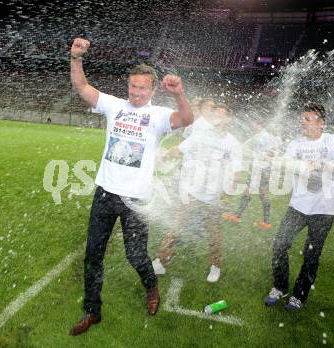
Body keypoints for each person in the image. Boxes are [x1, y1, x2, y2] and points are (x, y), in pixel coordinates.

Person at [68, 37, 194, 336]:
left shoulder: (159, 115)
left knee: (135, 255)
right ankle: (92, 310)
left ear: (151, 90)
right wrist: (76, 58)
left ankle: (152, 287)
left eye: (142, 88)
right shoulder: (114, 106)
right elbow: (82, 88)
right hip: (104, 193)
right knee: (93, 255)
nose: (136, 93)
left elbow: (187, 119)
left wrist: (179, 95)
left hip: (136, 199)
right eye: (133, 87)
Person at [264, 103, 334, 310]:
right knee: (279, 245)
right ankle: (280, 286)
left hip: (324, 210)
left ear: (321, 123)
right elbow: (285, 165)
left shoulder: (332, 140)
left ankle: (299, 295)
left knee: (311, 254)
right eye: (302, 119)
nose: (303, 123)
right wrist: (272, 163)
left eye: (308, 119)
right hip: (297, 207)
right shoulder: (295, 144)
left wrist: (325, 164)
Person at [152, 103, 242, 282]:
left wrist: (230, 189)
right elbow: (180, 148)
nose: (217, 119)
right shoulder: (201, 135)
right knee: (176, 228)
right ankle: (160, 261)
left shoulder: (232, 142)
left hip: (213, 198)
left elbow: (236, 169)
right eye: (215, 115)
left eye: (221, 116)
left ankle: (215, 267)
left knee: (214, 234)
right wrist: (162, 156)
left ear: (228, 120)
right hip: (192, 194)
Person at [222, 117, 280, 229]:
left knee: (251, 191)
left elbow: (271, 152)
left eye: (252, 123)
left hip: (261, 168)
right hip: (263, 168)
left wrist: (264, 157)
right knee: (261, 192)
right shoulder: (263, 135)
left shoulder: (262, 136)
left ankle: (238, 216)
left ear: (257, 123)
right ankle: (265, 221)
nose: (251, 125)